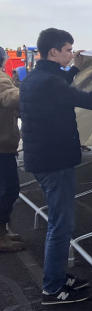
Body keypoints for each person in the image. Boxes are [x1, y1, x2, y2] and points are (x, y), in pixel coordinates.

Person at [19, 28, 92, 304]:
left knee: (59, 222)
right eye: (67, 49)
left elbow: (60, 83)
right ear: (53, 51)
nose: (71, 53)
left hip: (43, 159)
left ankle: (57, 276)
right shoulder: (48, 82)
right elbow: (91, 102)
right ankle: (53, 288)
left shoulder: (37, 78)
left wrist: (75, 69)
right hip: (54, 162)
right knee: (61, 225)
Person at [0, 50, 25, 252]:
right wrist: (31, 90)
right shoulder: (0, 78)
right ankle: (0, 236)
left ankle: (3, 231)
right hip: (2, 147)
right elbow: (9, 98)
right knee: (9, 190)